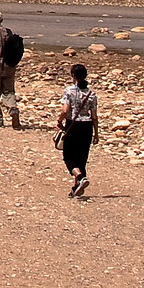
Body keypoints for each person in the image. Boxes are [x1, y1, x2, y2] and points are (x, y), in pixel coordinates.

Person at [55, 62, 98, 197]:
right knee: (82, 158)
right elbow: (95, 116)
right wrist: (96, 133)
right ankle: (76, 188)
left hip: (73, 125)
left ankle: (79, 178)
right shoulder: (91, 94)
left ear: (73, 76)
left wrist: (59, 120)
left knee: (69, 157)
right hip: (87, 127)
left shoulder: (69, 91)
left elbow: (65, 110)